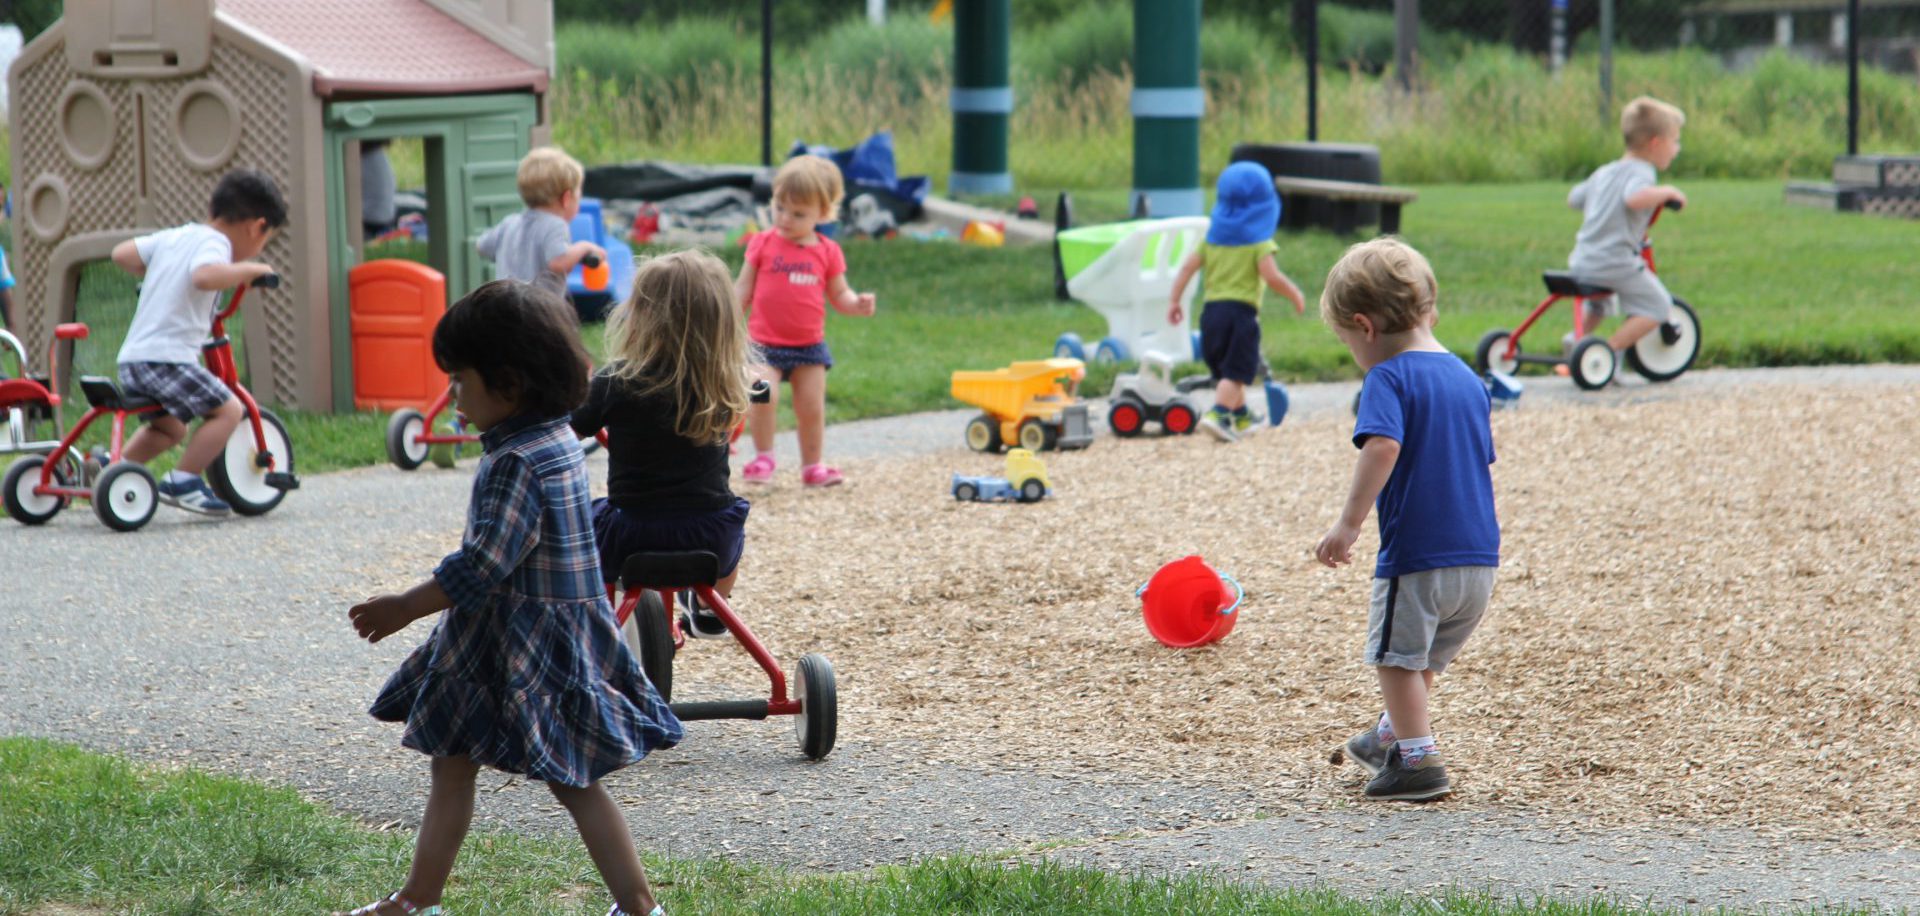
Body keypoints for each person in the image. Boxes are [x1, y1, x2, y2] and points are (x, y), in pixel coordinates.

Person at [345, 280, 680, 916]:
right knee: (456, 760)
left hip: (528, 641)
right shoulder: (555, 437)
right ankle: (418, 900)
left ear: (510, 383)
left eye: (461, 382)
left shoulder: (517, 461)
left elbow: (484, 564)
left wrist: (404, 606)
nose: (453, 398)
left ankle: (639, 907)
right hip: (516, 633)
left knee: (570, 778)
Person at [1313, 238, 1500, 803]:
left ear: (1365, 328)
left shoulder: (1388, 379)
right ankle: (1390, 736)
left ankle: (1418, 763)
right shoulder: (1469, 380)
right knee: (1419, 658)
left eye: (1348, 343)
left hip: (1418, 557)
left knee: (1394, 657)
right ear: (1429, 311)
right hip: (1479, 561)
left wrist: (1348, 524)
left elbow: (1383, 448)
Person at [572, 249, 754, 639]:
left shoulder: (616, 381)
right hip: (710, 537)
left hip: (632, 534)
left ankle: (599, 620)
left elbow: (568, 429)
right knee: (733, 519)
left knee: (583, 520)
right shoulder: (726, 382)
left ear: (641, 317)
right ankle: (710, 607)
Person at [108, 169, 287, 515]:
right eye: (265, 239)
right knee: (229, 410)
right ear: (256, 227)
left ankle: (115, 468)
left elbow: (122, 254)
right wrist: (251, 271)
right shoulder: (215, 244)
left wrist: (163, 273)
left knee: (170, 428)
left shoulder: (178, 237)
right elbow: (204, 276)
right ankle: (184, 480)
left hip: (133, 360)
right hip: (166, 361)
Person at [735, 154, 877, 487]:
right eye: (779, 207)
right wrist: (724, 316)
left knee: (811, 406)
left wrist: (856, 304)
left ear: (823, 214)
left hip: (809, 346)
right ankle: (764, 456)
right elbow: (742, 288)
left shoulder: (827, 251)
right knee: (762, 393)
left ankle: (812, 466)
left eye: (798, 214)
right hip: (763, 344)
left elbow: (839, 294)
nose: (785, 219)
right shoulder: (762, 244)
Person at [1167, 161, 1306, 443]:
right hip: (1240, 316)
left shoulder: (1211, 240)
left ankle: (1241, 417)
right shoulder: (1260, 244)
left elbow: (1186, 268)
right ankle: (1218, 414)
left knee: (1229, 370)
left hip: (1211, 315)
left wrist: (1175, 301)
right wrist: (1294, 294)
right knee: (1239, 370)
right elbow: (1271, 275)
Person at [1564, 95, 1688, 366]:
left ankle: (1576, 339)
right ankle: (1605, 353)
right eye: (1675, 141)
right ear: (1656, 143)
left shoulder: (1605, 172)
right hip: (1614, 261)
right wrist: (1666, 192)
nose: (1677, 149)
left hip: (1583, 259)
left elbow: (1574, 198)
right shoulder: (1643, 173)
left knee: (1601, 304)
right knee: (1658, 305)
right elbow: (1633, 198)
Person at [476, 146, 605, 301]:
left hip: (504, 305)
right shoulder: (555, 225)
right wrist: (585, 247)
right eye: (578, 196)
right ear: (566, 199)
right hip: (538, 311)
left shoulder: (509, 223)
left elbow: (482, 246)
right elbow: (559, 262)